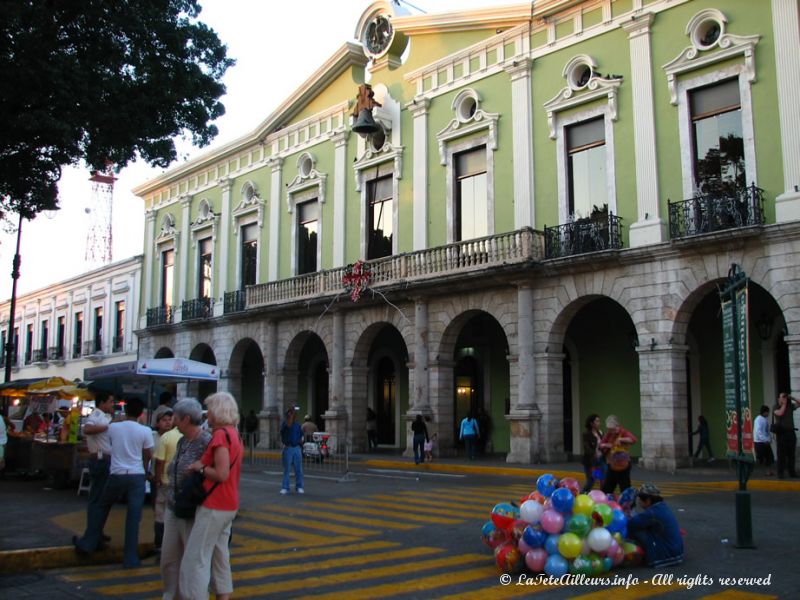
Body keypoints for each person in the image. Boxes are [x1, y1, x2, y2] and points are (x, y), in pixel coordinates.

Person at [74, 397, 154, 568]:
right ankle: (131, 558)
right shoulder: (145, 431)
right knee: (133, 517)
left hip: (116, 473)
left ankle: (89, 542)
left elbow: (100, 437)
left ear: (125, 412)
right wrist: (145, 467)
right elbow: (148, 453)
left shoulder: (114, 428)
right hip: (136, 475)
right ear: (140, 413)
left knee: (102, 506)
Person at [181, 392, 244, 600]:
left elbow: (221, 474)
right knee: (220, 555)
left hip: (214, 503)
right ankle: (223, 596)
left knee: (196, 558)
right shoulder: (234, 434)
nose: (207, 415)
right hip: (229, 503)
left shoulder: (220, 435)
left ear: (217, 412)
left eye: (209, 410)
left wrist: (199, 467)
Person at [160, 399, 211, 600]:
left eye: (175, 418)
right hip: (173, 505)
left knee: (191, 560)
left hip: (191, 508)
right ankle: (171, 594)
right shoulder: (182, 441)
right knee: (169, 558)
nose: (173, 421)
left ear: (186, 419)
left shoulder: (205, 442)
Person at [80, 391, 116, 546]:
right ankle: (92, 534)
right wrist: (107, 427)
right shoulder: (96, 415)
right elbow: (87, 429)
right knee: (97, 499)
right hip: (100, 460)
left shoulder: (106, 417)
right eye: (110, 401)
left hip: (107, 460)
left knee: (103, 499)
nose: (112, 405)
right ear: (102, 403)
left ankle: (97, 531)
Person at [627, 483, 684, 568]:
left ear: (649, 500)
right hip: (677, 553)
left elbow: (632, 523)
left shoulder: (652, 513)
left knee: (635, 529)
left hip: (666, 556)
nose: (638, 501)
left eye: (640, 499)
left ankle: (645, 555)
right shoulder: (662, 507)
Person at [151, 405, 176, 555]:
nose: (167, 422)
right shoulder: (153, 436)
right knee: (159, 511)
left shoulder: (173, 436)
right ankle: (161, 542)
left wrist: (158, 478)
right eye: (164, 420)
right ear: (157, 422)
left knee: (164, 512)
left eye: (169, 420)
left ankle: (163, 543)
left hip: (166, 480)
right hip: (159, 479)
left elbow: (159, 462)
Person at [599, 414, 637, 495]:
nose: (611, 431)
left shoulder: (624, 432)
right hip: (612, 465)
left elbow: (633, 440)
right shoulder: (609, 434)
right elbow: (601, 444)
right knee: (607, 488)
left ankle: (629, 506)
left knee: (625, 488)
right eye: (609, 429)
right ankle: (606, 504)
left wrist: (621, 439)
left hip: (623, 466)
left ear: (618, 425)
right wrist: (606, 445)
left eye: (613, 429)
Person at [773, 392, 798, 479]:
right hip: (781, 434)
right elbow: (780, 413)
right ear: (778, 399)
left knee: (791, 455)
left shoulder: (790, 406)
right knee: (781, 455)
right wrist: (783, 404)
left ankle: (792, 472)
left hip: (791, 433)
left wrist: (792, 398)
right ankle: (781, 473)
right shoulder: (776, 407)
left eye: (785, 397)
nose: (784, 398)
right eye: (782, 397)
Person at [280, 406, 304, 495]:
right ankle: (285, 487)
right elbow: (288, 425)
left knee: (299, 470)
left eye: (294, 414)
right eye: (291, 414)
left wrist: (300, 443)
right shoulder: (285, 424)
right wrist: (290, 414)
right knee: (287, 469)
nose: (293, 416)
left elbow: (301, 435)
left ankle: (299, 486)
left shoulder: (298, 425)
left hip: (296, 448)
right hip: (288, 448)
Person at [581, 413, 604, 493]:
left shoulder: (600, 433)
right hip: (591, 462)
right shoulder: (586, 434)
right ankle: (582, 495)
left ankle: (603, 497)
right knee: (591, 480)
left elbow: (604, 444)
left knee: (602, 480)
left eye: (599, 421)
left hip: (600, 461)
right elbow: (587, 448)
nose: (599, 423)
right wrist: (594, 453)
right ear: (591, 423)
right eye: (597, 421)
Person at [753, 404, 775, 476]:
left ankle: (769, 471)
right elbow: (759, 432)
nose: (768, 413)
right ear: (765, 412)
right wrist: (766, 440)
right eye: (768, 412)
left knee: (769, 457)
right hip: (760, 442)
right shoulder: (759, 420)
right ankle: (766, 471)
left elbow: (765, 431)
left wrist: (769, 439)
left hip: (763, 442)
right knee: (763, 458)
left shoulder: (763, 419)